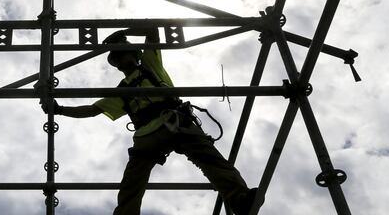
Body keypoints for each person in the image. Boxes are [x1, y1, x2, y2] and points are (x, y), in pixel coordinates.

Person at [44, 28, 263, 215]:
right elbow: (92, 110)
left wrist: (125, 32)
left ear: (134, 54)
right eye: (119, 57)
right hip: (149, 135)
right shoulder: (120, 91)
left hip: (175, 123)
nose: (121, 59)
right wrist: (60, 110)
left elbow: (152, 31)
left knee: (210, 160)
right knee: (132, 183)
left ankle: (240, 200)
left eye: (123, 53)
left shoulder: (150, 64)